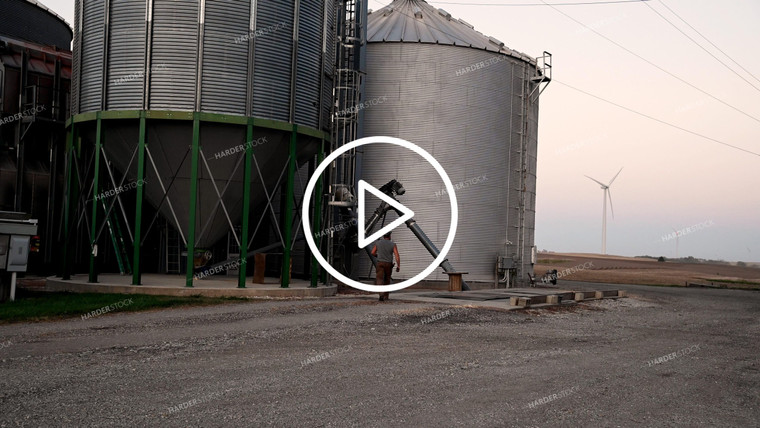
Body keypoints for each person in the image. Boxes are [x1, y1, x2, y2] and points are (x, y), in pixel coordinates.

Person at [371, 232, 400, 301]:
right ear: (389, 236)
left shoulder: (378, 243)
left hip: (380, 263)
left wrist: (377, 256)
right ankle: (386, 296)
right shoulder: (393, 244)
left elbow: (372, 252)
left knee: (379, 279)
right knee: (387, 279)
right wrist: (398, 265)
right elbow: (397, 255)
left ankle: (381, 294)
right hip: (388, 264)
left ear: (384, 236)